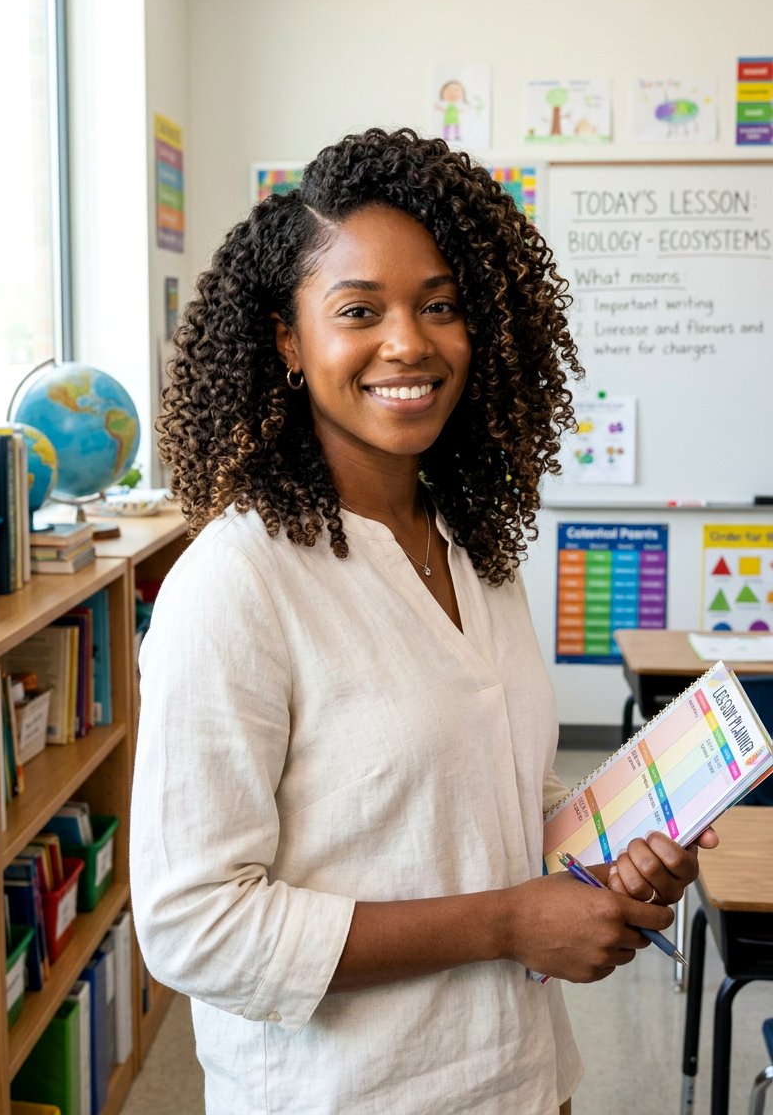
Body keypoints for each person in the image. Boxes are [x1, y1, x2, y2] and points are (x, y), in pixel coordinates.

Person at [130, 127, 716, 1114]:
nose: (408, 343)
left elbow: (490, 801)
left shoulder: (472, 549)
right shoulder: (235, 582)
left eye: (439, 305)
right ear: (288, 340)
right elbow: (195, 927)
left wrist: (609, 863)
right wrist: (506, 922)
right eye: (359, 310)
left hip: (524, 1079)